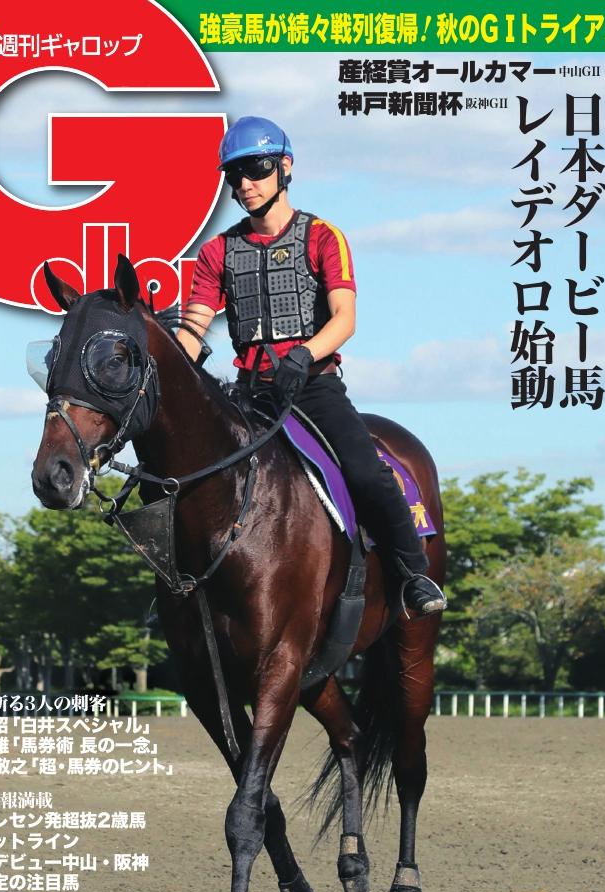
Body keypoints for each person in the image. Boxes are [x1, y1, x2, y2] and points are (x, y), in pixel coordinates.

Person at [177, 116, 446, 617]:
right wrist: (171, 373)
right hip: (250, 394)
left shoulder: (323, 237)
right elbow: (193, 329)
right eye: (235, 174)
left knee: (365, 472)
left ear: (285, 167)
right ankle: (179, 585)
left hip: (313, 388)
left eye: (257, 169)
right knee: (189, 474)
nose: (245, 183)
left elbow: (345, 319)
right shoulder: (216, 253)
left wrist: (304, 354)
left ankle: (413, 572)